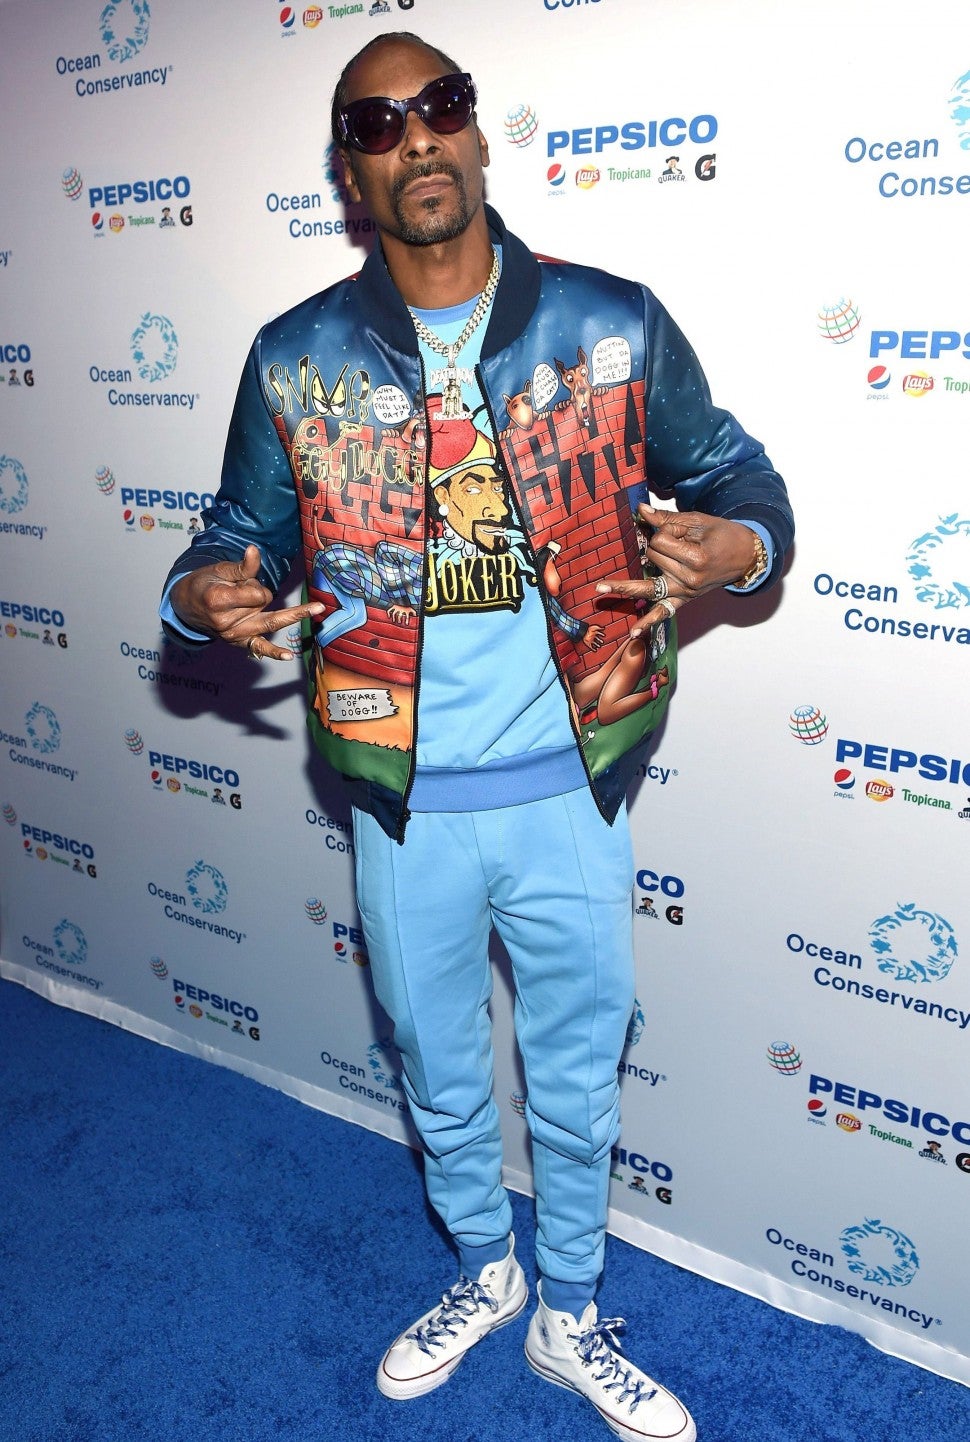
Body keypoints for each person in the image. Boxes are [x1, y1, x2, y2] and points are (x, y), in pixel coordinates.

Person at [160, 31, 794, 1442]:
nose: (416, 139)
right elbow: (233, 533)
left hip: (571, 784)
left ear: (479, 134)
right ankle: (484, 1272)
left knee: (574, 1080)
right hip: (403, 804)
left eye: (438, 106)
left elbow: (740, 479)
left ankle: (570, 1310)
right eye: (376, 124)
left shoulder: (610, 322)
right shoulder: (295, 357)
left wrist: (737, 545)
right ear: (350, 171)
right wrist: (202, 593)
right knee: (439, 1074)